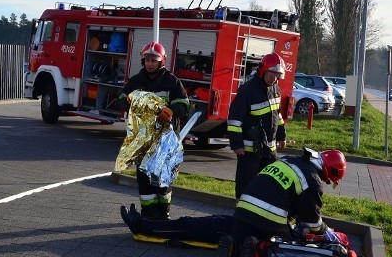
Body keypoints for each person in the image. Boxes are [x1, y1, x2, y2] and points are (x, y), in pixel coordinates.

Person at [119, 149, 348, 257]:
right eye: (331, 179)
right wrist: (327, 233)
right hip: (272, 225)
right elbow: (311, 221)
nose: (328, 182)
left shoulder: (289, 160)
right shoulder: (313, 181)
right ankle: (254, 247)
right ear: (330, 171)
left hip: (244, 211)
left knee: (200, 226)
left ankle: (144, 224)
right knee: (293, 245)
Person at [117, 42, 189, 220]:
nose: (150, 63)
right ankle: (148, 214)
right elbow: (121, 97)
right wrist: (126, 101)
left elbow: (185, 104)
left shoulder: (172, 82)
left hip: (165, 141)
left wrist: (172, 109)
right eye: (147, 60)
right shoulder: (136, 81)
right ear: (143, 61)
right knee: (144, 178)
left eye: (154, 60)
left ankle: (164, 214)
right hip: (143, 140)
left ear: (161, 61)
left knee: (163, 179)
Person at [227, 52, 287, 199]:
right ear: (263, 71)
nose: (274, 78)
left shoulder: (275, 90)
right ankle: (241, 213)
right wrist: (236, 144)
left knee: (269, 184)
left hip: (269, 150)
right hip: (249, 150)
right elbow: (234, 120)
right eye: (271, 74)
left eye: (277, 75)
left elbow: (277, 115)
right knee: (246, 184)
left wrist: (281, 135)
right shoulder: (247, 91)